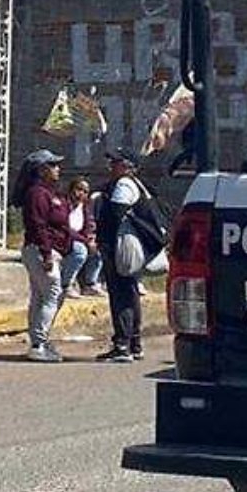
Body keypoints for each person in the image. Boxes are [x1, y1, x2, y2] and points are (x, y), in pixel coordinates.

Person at [95, 151, 161, 363]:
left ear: (129, 167)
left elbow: (116, 213)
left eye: (116, 163)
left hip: (120, 248)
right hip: (129, 247)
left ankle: (122, 344)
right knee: (130, 292)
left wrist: (105, 241)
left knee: (121, 293)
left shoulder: (124, 185)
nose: (111, 167)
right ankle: (134, 343)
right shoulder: (137, 185)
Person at [15, 151, 72, 363]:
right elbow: (39, 226)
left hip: (46, 250)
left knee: (40, 296)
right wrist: (47, 253)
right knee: (52, 293)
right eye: (53, 165)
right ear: (41, 170)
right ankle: (39, 342)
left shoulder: (49, 193)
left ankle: (38, 341)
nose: (58, 168)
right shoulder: (37, 194)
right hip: (40, 251)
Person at [63, 177, 102, 298]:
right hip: (62, 238)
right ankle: (66, 285)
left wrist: (91, 239)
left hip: (78, 238)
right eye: (79, 189)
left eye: (85, 192)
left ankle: (90, 284)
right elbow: (64, 227)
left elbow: (88, 226)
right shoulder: (63, 205)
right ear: (70, 190)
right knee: (80, 251)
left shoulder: (85, 207)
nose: (82, 194)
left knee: (99, 249)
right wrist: (85, 241)